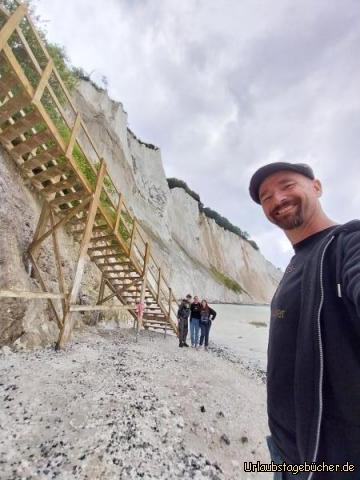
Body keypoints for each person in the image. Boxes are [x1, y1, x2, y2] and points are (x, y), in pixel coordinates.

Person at [249, 162, 360, 479]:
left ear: (317, 187)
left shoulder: (347, 243)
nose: (277, 199)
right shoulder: (297, 263)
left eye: (287, 185)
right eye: (266, 196)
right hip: (286, 454)